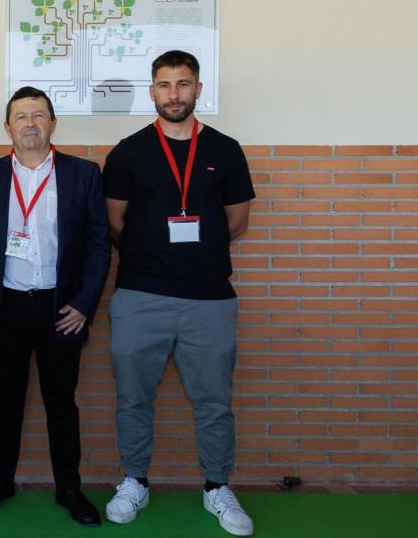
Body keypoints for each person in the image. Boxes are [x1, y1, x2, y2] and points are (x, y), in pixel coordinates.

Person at [101, 50, 255, 537]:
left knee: (213, 401)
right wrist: (152, 255)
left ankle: (216, 486)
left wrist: (197, 252)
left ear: (198, 90)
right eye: (165, 85)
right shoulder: (128, 151)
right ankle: (134, 480)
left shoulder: (226, 150)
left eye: (183, 84)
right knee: (133, 398)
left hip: (209, 298)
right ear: (152, 92)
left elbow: (237, 221)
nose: (174, 94)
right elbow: (114, 222)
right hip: (140, 296)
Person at [0, 86, 110, 527]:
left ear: (53, 123)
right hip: (8, 306)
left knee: (61, 403)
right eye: (20, 116)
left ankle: (69, 488)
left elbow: (99, 244)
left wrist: (84, 303)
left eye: (39, 115)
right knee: (5, 401)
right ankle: (1, 479)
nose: (30, 123)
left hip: (61, 311)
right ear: (7, 126)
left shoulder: (83, 174)